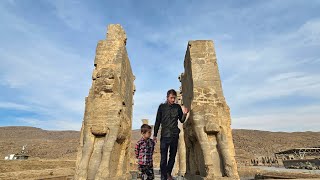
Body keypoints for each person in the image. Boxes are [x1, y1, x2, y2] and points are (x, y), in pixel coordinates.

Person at [153, 89, 189, 180]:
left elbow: (181, 120)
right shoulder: (161, 107)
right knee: (163, 158)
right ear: (167, 97)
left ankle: (168, 173)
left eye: (174, 98)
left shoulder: (177, 107)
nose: (173, 100)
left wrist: (184, 114)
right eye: (171, 98)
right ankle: (163, 177)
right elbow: (157, 121)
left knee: (172, 156)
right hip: (164, 136)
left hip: (174, 135)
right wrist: (155, 135)